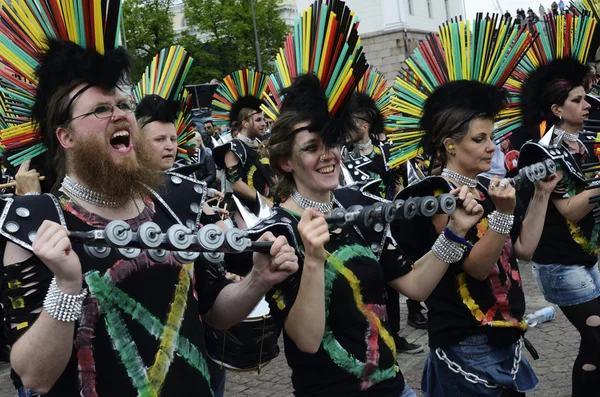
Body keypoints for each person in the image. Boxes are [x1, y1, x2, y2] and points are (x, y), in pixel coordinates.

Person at [0, 2, 299, 396]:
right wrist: (67, 285)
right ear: (65, 137)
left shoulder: (177, 202)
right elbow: (34, 376)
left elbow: (213, 313)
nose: (120, 114)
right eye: (101, 109)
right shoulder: (35, 221)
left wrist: (258, 280)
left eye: (124, 104)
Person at [244, 73, 484, 397]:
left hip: (395, 388)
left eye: (330, 142)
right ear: (286, 160)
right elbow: (306, 340)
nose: (327, 154)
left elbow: (415, 285)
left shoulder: (359, 206)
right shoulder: (277, 232)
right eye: (311, 148)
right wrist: (313, 261)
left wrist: (456, 231)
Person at [400, 80, 557, 397]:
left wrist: (542, 194)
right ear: (450, 145)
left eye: (491, 137)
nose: (492, 147)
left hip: (505, 335)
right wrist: (502, 213)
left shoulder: (488, 187)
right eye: (479, 139)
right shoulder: (437, 195)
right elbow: (476, 267)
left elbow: (523, 248)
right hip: (465, 340)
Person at [520, 57, 600, 397]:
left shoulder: (585, 143)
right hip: (559, 263)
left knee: (595, 344)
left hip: (586, 256)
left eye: (587, 98)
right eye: (577, 100)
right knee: (597, 337)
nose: (587, 105)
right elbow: (569, 210)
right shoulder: (540, 151)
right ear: (556, 108)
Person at [346, 88, 428, 348]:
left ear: (365, 126)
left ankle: (395, 334)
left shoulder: (388, 151)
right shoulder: (344, 158)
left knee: (395, 279)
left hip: (392, 225)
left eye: (350, 124)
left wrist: (399, 206)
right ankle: (373, 336)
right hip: (362, 227)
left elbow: (405, 182)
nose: (345, 130)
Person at [212, 70, 277, 213]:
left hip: (270, 208)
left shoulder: (260, 144)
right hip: (248, 212)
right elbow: (236, 185)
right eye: (258, 120)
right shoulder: (233, 147)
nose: (264, 124)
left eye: (264, 120)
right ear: (245, 124)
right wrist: (264, 202)